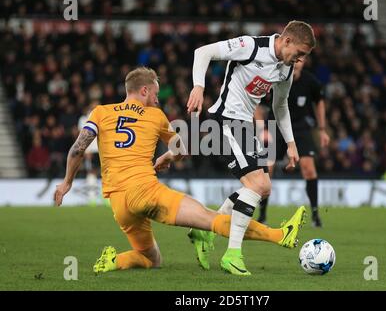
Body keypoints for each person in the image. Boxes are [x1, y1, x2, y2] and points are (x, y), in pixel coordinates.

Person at [53, 67, 306, 276]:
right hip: (146, 193)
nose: (157, 98)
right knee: (211, 220)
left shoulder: (100, 112)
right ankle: (280, 235)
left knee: (151, 259)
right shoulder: (156, 116)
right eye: (155, 92)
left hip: (118, 204)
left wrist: (66, 183)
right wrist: (167, 157)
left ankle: (114, 261)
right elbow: (181, 149)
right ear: (144, 90)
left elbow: (77, 149)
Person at [187, 20, 315, 274]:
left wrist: (291, 143)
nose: (299, 60)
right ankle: (232, 255)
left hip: (245, 127)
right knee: (256, 185)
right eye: (299, 53)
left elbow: (280, 107)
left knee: (263, 188)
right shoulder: (250, 46)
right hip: (223, 122)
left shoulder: (285, 71)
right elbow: (203, 52)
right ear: (287, 41)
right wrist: (198, 86)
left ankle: (204, 229)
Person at [258, 60, 330, 227]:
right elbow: (256, 103)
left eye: (301, 60)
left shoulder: (310, 81)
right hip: (275, 127)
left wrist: (322, 129)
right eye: (295, 60)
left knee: (309, 169)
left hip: (300, 129)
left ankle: (315, 215)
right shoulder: (274, 77)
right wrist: (263, 129)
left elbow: (320, 102)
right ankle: (262, 215)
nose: (297, 63)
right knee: (267, 169)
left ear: (304, 62)